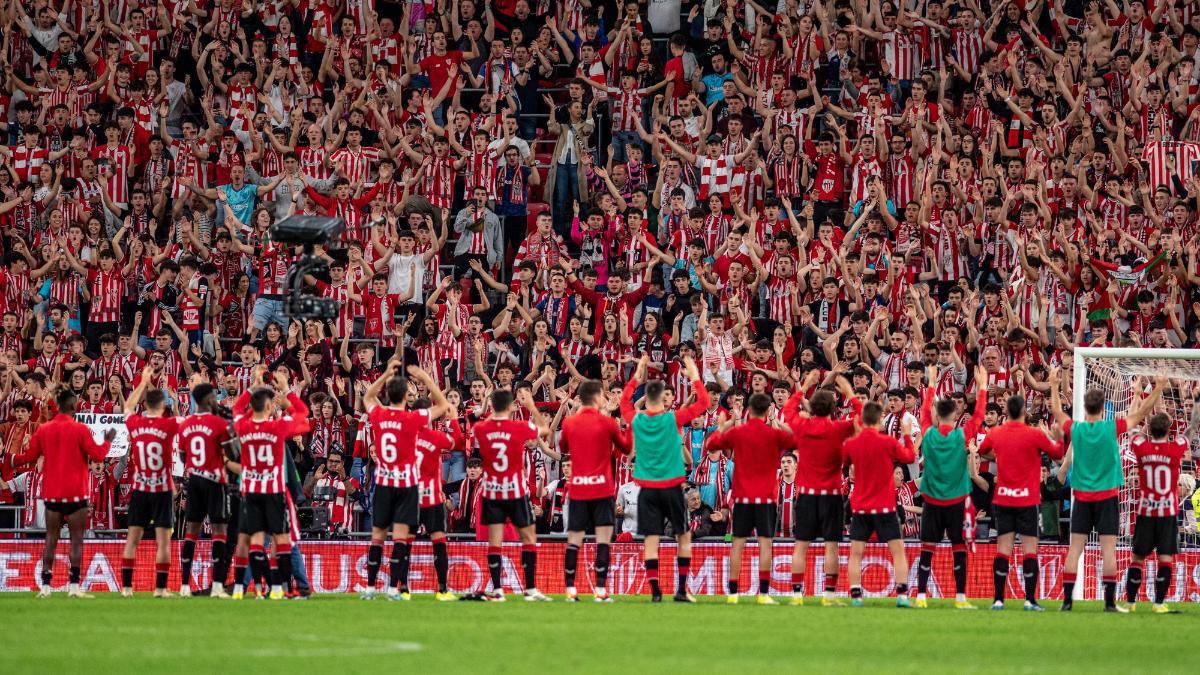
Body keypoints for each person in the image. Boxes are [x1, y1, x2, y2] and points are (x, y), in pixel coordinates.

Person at [1050, 371, 1165, 612]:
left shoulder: (1077, 429)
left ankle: (1067, 602)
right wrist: (1157, 387)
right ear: (1104, 406)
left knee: (1075, 550)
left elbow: (1058, 412)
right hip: (1107, 497)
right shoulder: (1112, 427)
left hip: (1081, 498)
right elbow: (1142, 413)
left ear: (1085, 406)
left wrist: (1053, 384)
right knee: (1108, 551)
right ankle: (1110, 603)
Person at [621, 354, 709, 603]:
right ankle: (681, 590)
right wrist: (693, 375)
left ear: (646, 398)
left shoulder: (637, 420)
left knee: (651, 539)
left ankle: (655, 591)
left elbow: (623, 403)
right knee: (682, 536)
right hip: (671, 487)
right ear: (664, 398)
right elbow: (703, 402)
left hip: (647, 490)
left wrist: (636, 377)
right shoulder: (673, 419)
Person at [13, 389, 115, 597]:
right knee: (76, 540)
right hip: (76, 493)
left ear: (57, 406)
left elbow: (29, 456)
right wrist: (108, 440)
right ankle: (74, 587)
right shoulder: (81, 429)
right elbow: (98, 454)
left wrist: (12, 459)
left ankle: (45, 587)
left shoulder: (44, 430)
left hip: (52, 493)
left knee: (51, 539)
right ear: (74, 406)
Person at [361, 361, 449, 600]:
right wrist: (425, 378)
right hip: (406, 485)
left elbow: (367, 397)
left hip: (383, 483)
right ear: (405, 397)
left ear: (387, 394)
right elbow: (443, 404)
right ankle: (392, 589)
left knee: (377, 537)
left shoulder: (378, 414)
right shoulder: (413, 419)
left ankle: (369, 589)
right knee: (401, 538)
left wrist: (384, 375)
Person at [704, 392, 795, 604]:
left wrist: (724, 425)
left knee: (737, 545)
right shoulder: (773, 434)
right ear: (767, 411)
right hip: (765, 500)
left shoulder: (739, 432)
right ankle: (763, 594)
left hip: (742, 499)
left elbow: (711, 445)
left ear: (749, 410)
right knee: (765, 545)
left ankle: (733, 594)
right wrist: (777, 423)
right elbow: (796, 438)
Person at [781, 373, 862, 606]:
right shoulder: (838, 429)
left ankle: (796, 596)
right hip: (831, 496)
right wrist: (849, 391)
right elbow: (861, 417)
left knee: (801, 546)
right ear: (833, 408)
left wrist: (803, 386)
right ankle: (828, 595)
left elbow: (787, 411)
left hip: (806, 495)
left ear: (812, 407)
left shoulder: (802, 426)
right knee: (832, 547)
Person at [230, 367, 311, 600]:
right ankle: (281, 588)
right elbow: (303, 412)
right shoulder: (277, 427)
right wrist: (286, 390)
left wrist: (253, 387)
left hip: (251, 492)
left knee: (256, 541)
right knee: (281, 539)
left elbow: (237, 408)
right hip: (274, 491)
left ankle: (259, 589)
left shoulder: (242, 427)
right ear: (268, 407)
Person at [978, 395, 1064, 611]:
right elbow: (1058, 454)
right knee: (1029, 550)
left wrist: (998, 456)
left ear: (1006, 411)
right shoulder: (1034, 434)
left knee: (1003, 549)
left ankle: (998, 600)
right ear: (1025, 412)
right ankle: (1030, 600)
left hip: (1004, 498)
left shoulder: (996, 433)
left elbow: (982, 451)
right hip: (1027, 499)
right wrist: (1056, 436)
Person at [913, 365, 989, 609]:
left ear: (937, 414)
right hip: (956, 502)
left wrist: (932, 382)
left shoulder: (928, 433)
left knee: (927, 550)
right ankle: (960, 598)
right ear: (955, 415)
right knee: (958, 549)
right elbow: (978, 417)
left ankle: (921, 596)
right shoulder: (961, 437)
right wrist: (982, 387)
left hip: (932, 503)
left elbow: (924, 411)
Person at [473, 387, 552, 601]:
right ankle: (530, 590)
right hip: (515, 492)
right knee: (528, 538)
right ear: (510, 407)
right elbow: (545, 429)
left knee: (494, 542)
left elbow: (483, 425)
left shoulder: (480, 428)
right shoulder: (519, 427)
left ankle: (498, 590)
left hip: (492, 492)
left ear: (491, 406)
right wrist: (531, 406)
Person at [558, 379, 631, 602]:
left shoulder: (570, 422)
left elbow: (563, 448)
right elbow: (627, 448)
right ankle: (600, 590)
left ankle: (570, 589)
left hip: (579, 488)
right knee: (602, 540)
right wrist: (625, 426)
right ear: (599, 397)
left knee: (574, 540)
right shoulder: (608, 422)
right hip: (602, 489)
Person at [842, 401, 916, 607]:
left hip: (861, 507)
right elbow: (910, 457)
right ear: (878, 419)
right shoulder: (888, 442)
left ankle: (856, 596)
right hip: (884, 507)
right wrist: (908, 435)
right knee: (898, 551)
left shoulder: (852, 443)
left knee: (856, 553)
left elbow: (845, 463)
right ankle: (902, 595)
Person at [119, 367, 181, 598]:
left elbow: (127, 407)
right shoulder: (169, 424)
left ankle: (126, 588)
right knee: (163, 543)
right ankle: (160, 589)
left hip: (140, 489)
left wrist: (143, 382)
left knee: (132, 540)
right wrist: (174, 400)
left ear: (145, 406)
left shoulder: (136, 424)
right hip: (162, 488)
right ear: (163, 407)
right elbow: (181, 418)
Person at [1125, 412, 1187, 613]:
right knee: (1165, 559)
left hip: (1146, 511)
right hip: (1167, 512)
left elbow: (1131, 427)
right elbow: (1192, 428)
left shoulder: (1142, 447)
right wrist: (1197, 403)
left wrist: (1136, 397)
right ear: (1169, 430)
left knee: (1137, 559)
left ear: (1149, 430)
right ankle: (1158, 604)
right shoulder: (1175, 449)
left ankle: (1131, 602)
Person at [177, 381, 234, 597]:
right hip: (214, 480)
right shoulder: (219, 423)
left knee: (191, 531)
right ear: (207, 399)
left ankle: (184, 586)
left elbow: (183, 456)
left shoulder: (186, 423)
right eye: (213, 396)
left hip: (194, 480)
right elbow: (230, 451)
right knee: (219, 531)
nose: (216, 399)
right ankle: (218, 585)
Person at [413, 397, 457, 600]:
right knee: (439, 543)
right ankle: (442, 589)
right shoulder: (435, 436)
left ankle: (401, 589)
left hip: (410, 497)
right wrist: (453, 418)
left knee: (403, 543)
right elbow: (456, 441)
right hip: (432, 499)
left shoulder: (405, 435)